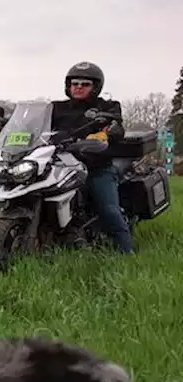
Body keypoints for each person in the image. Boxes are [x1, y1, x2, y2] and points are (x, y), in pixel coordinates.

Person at [51, 61, 133, 254]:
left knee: (108, 210)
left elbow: (116, 126)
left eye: (84, 84)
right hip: (60, 166)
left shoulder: (107, 106)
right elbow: (35, 126)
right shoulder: (55, 108)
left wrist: (107, 133)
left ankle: (127, 252)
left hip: (96, 167)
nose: (78, 87)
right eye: (74, 83)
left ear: (95, 87)